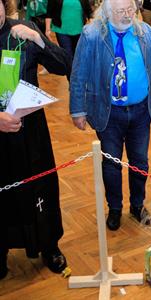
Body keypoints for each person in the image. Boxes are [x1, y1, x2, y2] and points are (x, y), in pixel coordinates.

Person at [69, 0, 151, 231]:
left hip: (141, 111)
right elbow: (79, 75)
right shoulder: (92, 34)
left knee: (140, 162)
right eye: (121, 11)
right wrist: (78, 109)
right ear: (106, 12)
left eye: (130, 10)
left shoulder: (146, 33)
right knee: (111, 164)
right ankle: (115, 208)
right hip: (108, 112)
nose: (127, 15)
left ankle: (137, 205)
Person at [0, 0, 71, 279]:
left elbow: (64, 64)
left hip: (31, 133)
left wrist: (38, 39)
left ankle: (49, 245)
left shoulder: (24, 29)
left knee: (40, 187)